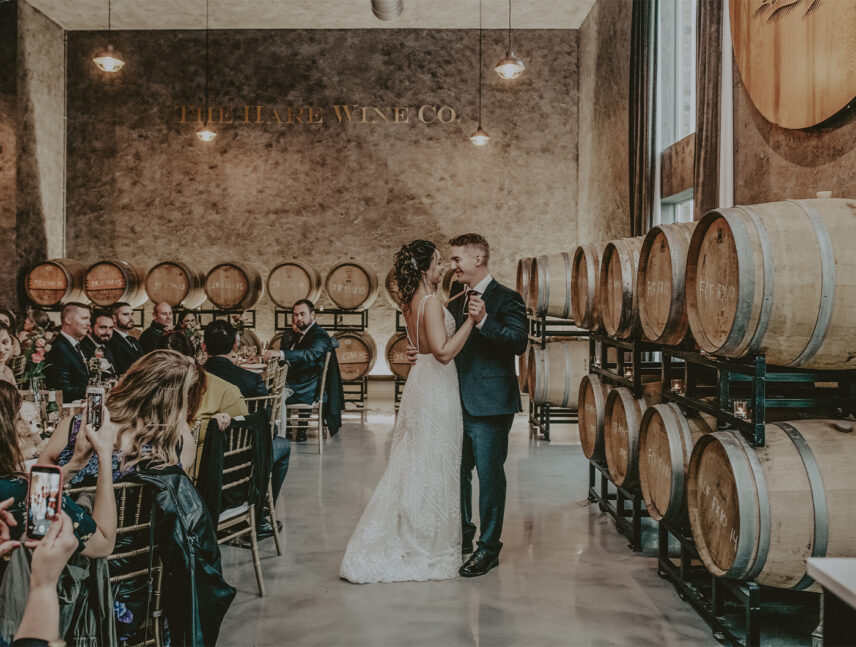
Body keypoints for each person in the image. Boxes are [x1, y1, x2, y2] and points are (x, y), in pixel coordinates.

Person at [339, 240, 476, 583]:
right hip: (438, 386)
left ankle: (416, 527)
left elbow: (422, 347)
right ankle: (429, 542)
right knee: (437, 459)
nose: (442, 267)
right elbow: (443, 353)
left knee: (418, 459)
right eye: (438, 262)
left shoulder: (408, 302)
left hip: (421, 381)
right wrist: (471, 323)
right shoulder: (429, 301)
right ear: (425, 266)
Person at [445, 233, 528, 577]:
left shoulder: (508, 298)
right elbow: (447, 348)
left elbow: (519, 343)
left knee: (490, 476)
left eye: (456, 260)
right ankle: (463, 535)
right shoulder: (453, 301)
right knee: (458, 472)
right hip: (455, 402)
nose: (453, 266)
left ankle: (488, 548)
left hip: (491, 405)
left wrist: (485, 322)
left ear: (477, 259)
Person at [0, 380, 117, 559]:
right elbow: (102, 545)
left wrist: (76, 462)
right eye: (17, 420)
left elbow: (36, 488)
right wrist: (105, 455)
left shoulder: (20, 487)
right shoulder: (22, 491)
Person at [203, 320, 289, 532]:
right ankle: (259, 516)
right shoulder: (251, 380)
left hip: (199, 457)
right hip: (240, 460)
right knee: (283, 445)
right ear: (235, 346)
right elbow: (268, 428)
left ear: (204, 347)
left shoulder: (190, 377)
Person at [263, 299, 336, 441]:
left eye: (302, 314)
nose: (298, 318)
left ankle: (278, 438)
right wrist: (261, 359)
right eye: (295, 315)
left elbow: (308, 354)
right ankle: (273, 434)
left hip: (306, 389)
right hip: (298, 383)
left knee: (274, 394)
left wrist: (280, 353)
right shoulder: (302, 334)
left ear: (313, 315)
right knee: (268, 389)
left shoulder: (319, 335)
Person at [44, 303, 91, 402]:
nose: (89, 323)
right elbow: (60, 389)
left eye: (89, 319)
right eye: (84, 318)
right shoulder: (58, 348)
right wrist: (89, 390)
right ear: (68, 320)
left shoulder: (78, 345)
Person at [80, 310, 119, 384]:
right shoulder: (82, 348)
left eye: (111, 328)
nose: (108, 332)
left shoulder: (106, 346)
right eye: (103, 327)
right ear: (90, 328)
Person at [109, 302, 143, 376]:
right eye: (125, 314)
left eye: (132, 314)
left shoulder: (133, 340)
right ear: (114, 318)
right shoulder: (111, 340)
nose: (131, 318)